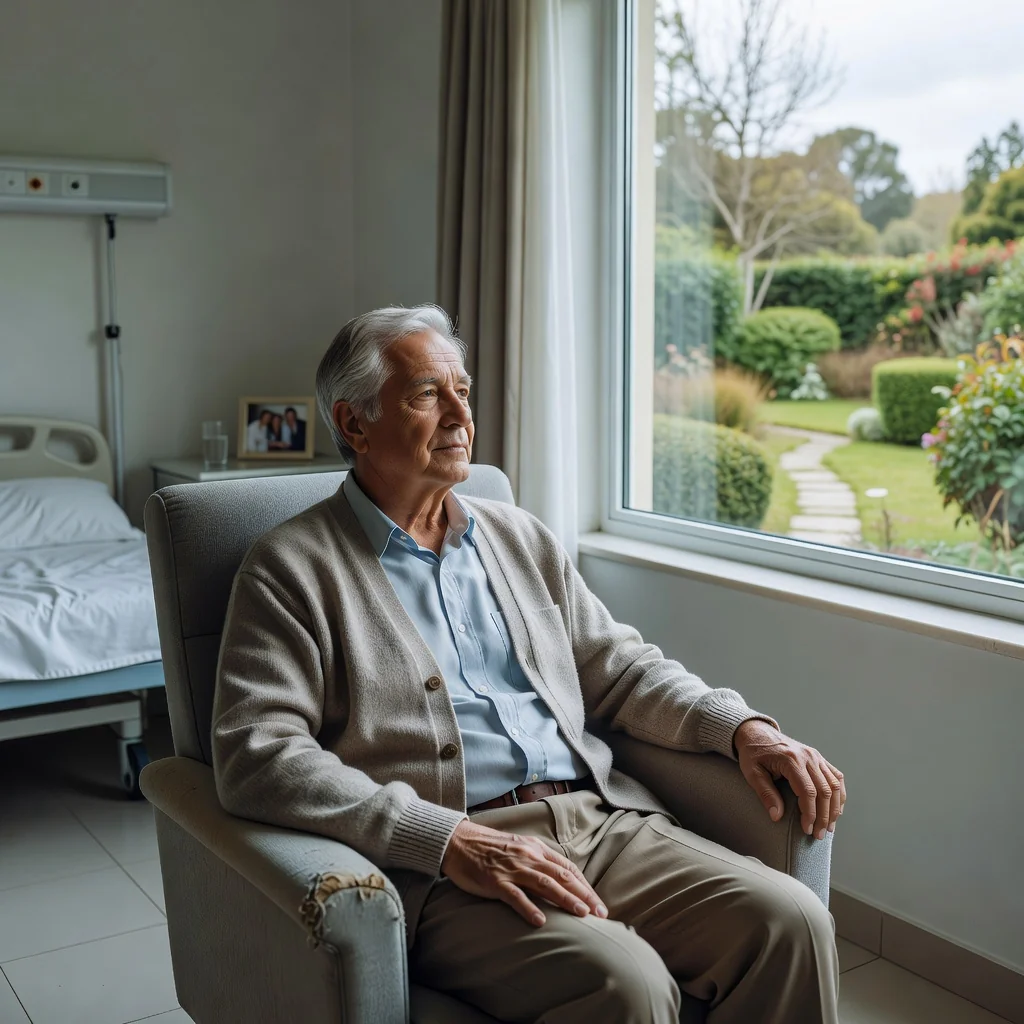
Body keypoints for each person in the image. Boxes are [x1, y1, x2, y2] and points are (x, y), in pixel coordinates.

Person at [213, 305, 844, 1024]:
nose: (460, 415)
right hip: (449, 864)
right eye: (426, 393)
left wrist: (739, 728)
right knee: (626, 982)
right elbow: (258, 754)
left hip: (598, 822)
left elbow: (620, 668)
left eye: (463, 391)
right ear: (355, 424)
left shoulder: (518, 537)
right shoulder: (291, 567)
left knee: (791, 922)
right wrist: (442, 837)